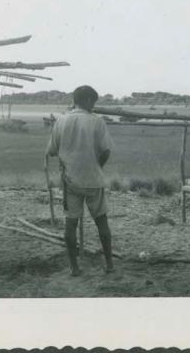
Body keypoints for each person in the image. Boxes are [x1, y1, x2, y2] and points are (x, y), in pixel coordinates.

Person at [44, 85, 114, 276]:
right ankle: (109, 264)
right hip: (94, 181)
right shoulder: (97, 122)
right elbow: (106, 150)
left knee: (71, 223)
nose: (94, 106)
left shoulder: (61, 121)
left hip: (70, 181)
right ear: (89, 101)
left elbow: (51, 151)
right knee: (102, 222)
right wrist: (97, 167)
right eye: (94, 102)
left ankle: (74, 267)